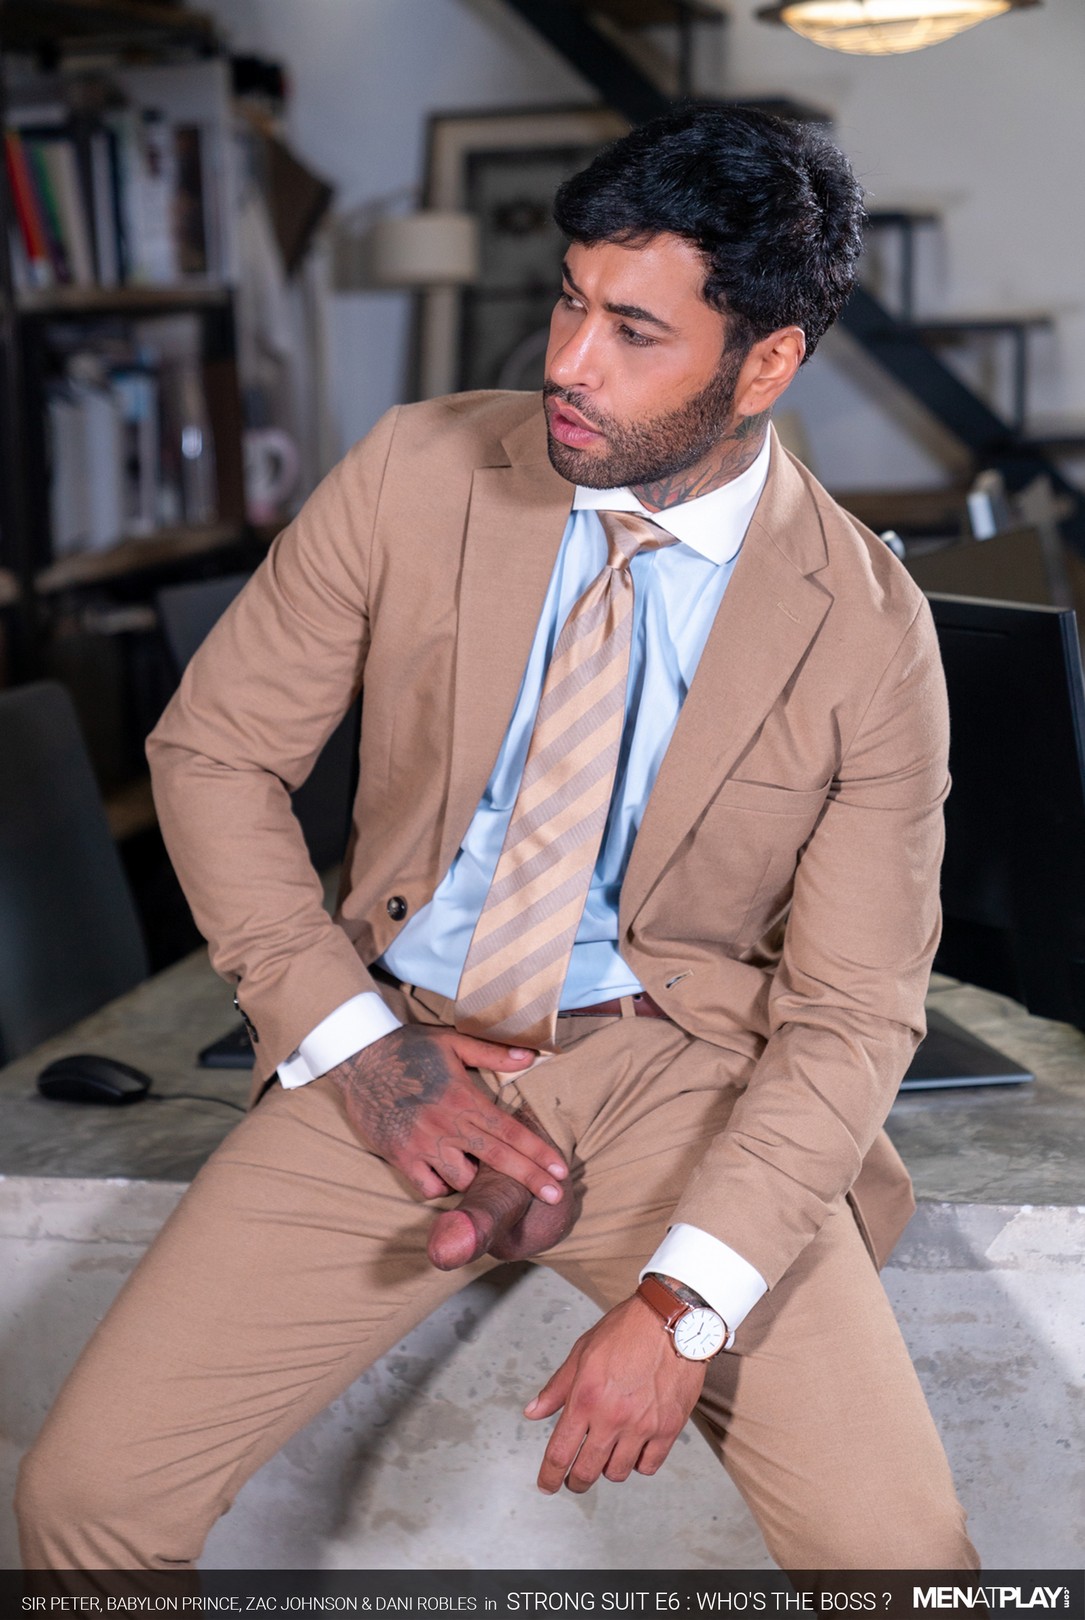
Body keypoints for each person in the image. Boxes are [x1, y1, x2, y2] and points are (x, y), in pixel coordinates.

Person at [16, 105, 978, 1573]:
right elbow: (214, 754)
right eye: (569, 302)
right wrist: (360, 1051)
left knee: (902, 1566)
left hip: (679, 1081)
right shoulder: (416, 469)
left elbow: (852, 1010)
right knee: (83, 1502)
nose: (567, 361)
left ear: (765, 363)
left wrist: (683, 1313)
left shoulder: (868, 630)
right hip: (404, 1038)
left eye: (634, 332)